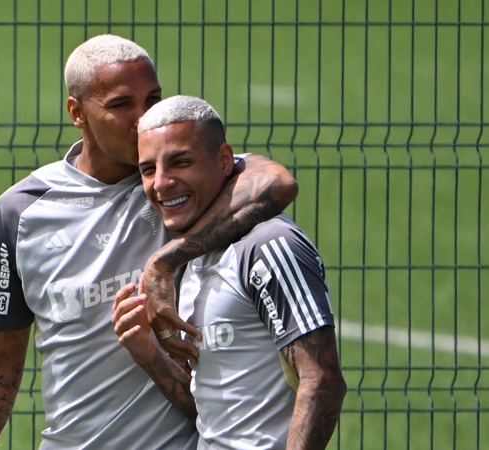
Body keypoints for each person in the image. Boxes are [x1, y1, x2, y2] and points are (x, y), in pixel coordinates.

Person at [0, 35, 298, 449]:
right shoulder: (22, 212)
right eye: (121, 105)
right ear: (77, 112)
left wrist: (166, 261)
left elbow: (277, 181)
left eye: (152, 99)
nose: (143, 118)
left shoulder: (179, 185)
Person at [113, 95, 347, 450]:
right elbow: (214, 416)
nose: (161, 183)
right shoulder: (195, 253)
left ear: (224, 161)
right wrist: (148, 354)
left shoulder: (268, 243)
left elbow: (323, 380)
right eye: (148, 170)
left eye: (180, 162)